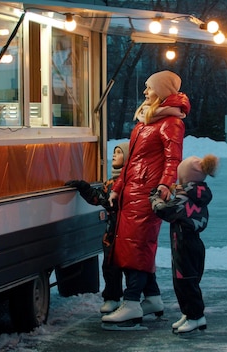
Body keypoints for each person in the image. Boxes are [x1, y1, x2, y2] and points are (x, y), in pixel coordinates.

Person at [102, 70, 191, 330]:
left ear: (162, 91)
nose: (144, 92)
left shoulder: (171, 122)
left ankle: (131, 303)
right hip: (132, 192)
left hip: (148, 193)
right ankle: (151, 298)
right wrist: (118, 187)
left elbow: (173, 158)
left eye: (149, 88)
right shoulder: (146, 121)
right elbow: (130, 162)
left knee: (137, 246)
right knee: (131, 245)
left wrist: (164, 185)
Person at [149, 154, 218, 335]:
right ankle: (189, 314)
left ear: (184, 178)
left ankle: (195, 316)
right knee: (186, 281)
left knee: (185, 282)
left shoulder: (184, 198)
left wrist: (154, 197)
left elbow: (164, 211)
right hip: (191, 243)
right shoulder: (196, 195)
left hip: (184, 245)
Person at [65, 142, 130, 314]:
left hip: (129, 232)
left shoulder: (133, 183)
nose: (114, 155)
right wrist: (83, 187)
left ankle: (137, 299)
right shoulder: (110, 183)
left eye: (119, 153)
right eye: (114, 152)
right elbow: (98, 198)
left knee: (133, 268)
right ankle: (112, 297)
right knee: (109, 266)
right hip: (111, 234)